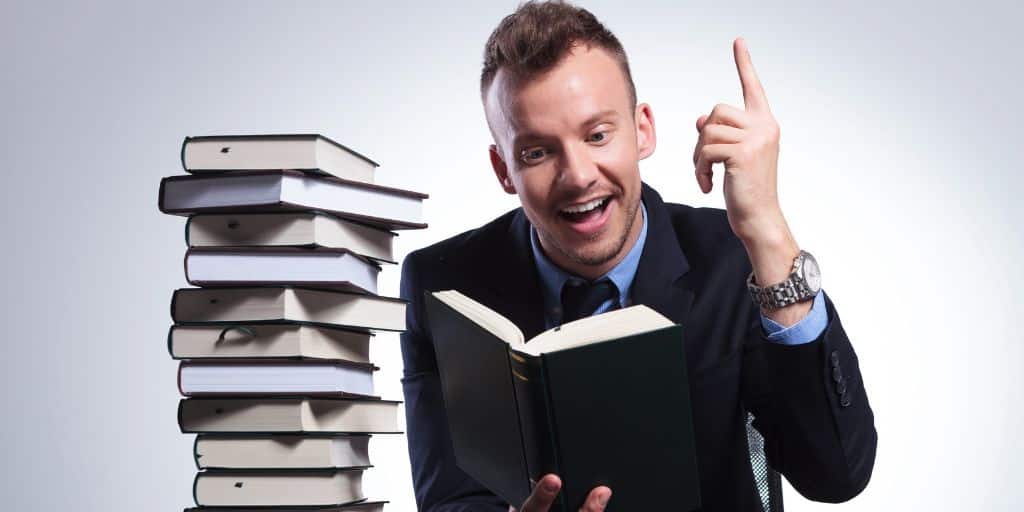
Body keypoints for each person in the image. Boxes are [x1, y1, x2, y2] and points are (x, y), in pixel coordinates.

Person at [399, 2, 877, 511]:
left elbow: (836, 475)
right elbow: (450, 498)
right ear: (503, 169)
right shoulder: (443, 284)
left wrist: (767, 230)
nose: (579, 175)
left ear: (643, 130)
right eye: (537, 152)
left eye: (597, 135)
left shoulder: (736, 259)